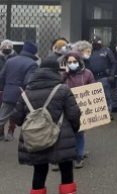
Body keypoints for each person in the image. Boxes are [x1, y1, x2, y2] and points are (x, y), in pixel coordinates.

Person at [12, 58, 81, 194]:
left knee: (39, 170)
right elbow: (74, 114)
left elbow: (17, 119)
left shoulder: (26, 92)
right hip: (62, 138)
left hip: (36, 139)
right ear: (56, 71)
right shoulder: (63, 89)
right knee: (66, 170)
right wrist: (75, 129)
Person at [0, 41, 38, 142]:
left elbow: (2, 77)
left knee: (2, 116)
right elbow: (28, 81)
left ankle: (3, 135)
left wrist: (4, 89)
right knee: (24, 116)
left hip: (8, 94)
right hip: (22, 95)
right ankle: (21, 136)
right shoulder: (32, 64)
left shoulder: (10, 61)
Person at [63, 51, 95, 169]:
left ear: (79, 62)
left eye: (74, 61)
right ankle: (63, 157)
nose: (72, 64)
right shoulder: (63, 75)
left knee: (79, 133)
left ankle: (79, 157)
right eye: (69, 62)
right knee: (65, 133)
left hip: (82, 108)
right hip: (66, 107)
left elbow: (93, 88)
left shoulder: (87, 73)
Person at [87, 36, 116, 114]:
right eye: (94, 43)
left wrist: (112, 75)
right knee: (95, 96)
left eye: (97, 42)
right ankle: (98, 114)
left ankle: (108, 113)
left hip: (103, 77)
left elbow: (113, 63)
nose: (96, 44)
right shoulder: (89, 52)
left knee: (106, 95)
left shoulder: (106, 51)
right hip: (92, 77)